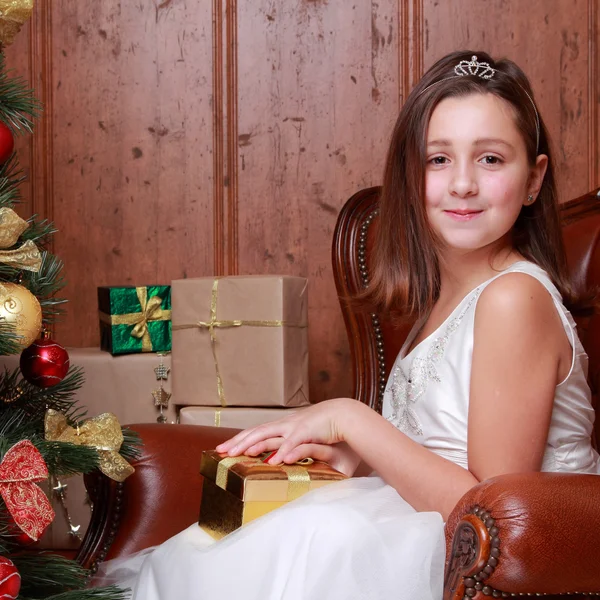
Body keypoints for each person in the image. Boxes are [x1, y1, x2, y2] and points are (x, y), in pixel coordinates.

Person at [97, 50, 600, 600]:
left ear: (534, 178)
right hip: (441, 526)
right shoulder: (446, 299)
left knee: (317, 542)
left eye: (490, 160)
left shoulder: (514, 298)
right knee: (240, 545)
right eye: (438, 159)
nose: (461, 184)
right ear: (410, 176)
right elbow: (435, 449)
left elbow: (494, 515)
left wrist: (351, 419)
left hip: (506, 557)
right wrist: (352, 456)